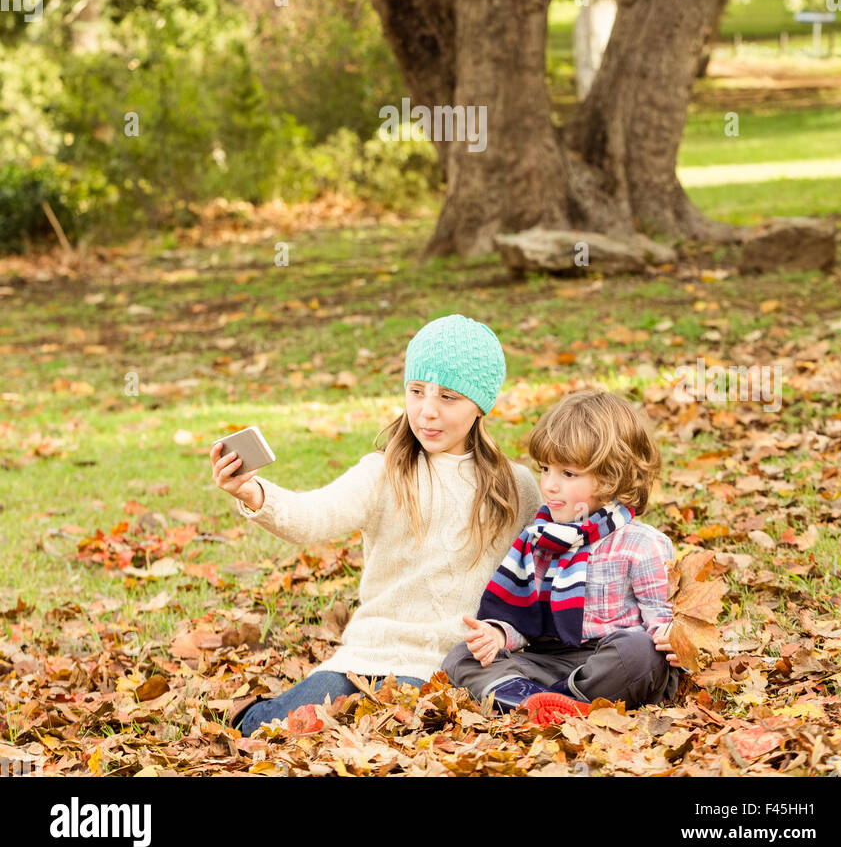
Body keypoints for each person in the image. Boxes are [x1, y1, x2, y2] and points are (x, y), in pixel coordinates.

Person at [211, 313, 541, 736]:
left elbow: (547, 574)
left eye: (448, 398)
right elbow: (313, 516)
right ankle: (255, 712)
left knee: (390, 730)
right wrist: (254, 494)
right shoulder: (383, 473)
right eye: (417, 391)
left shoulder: (516, 488)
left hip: (451, 666)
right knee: (272, 728)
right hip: (366, 658)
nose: (427, 411)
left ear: (481, 405)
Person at [442, 389, 682, 725]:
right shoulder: (537, 541)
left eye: (568, 474)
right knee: (461, 657)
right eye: (545, 470)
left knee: (639, 652)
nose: (550, 485)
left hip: (610, 663)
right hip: (550, 662)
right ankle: (533, 701)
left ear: (613, 476)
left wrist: (672, 637)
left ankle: (558, 701)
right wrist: (496, 636)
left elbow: (662, 621)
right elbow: (521, 620)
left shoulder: (641, 545)